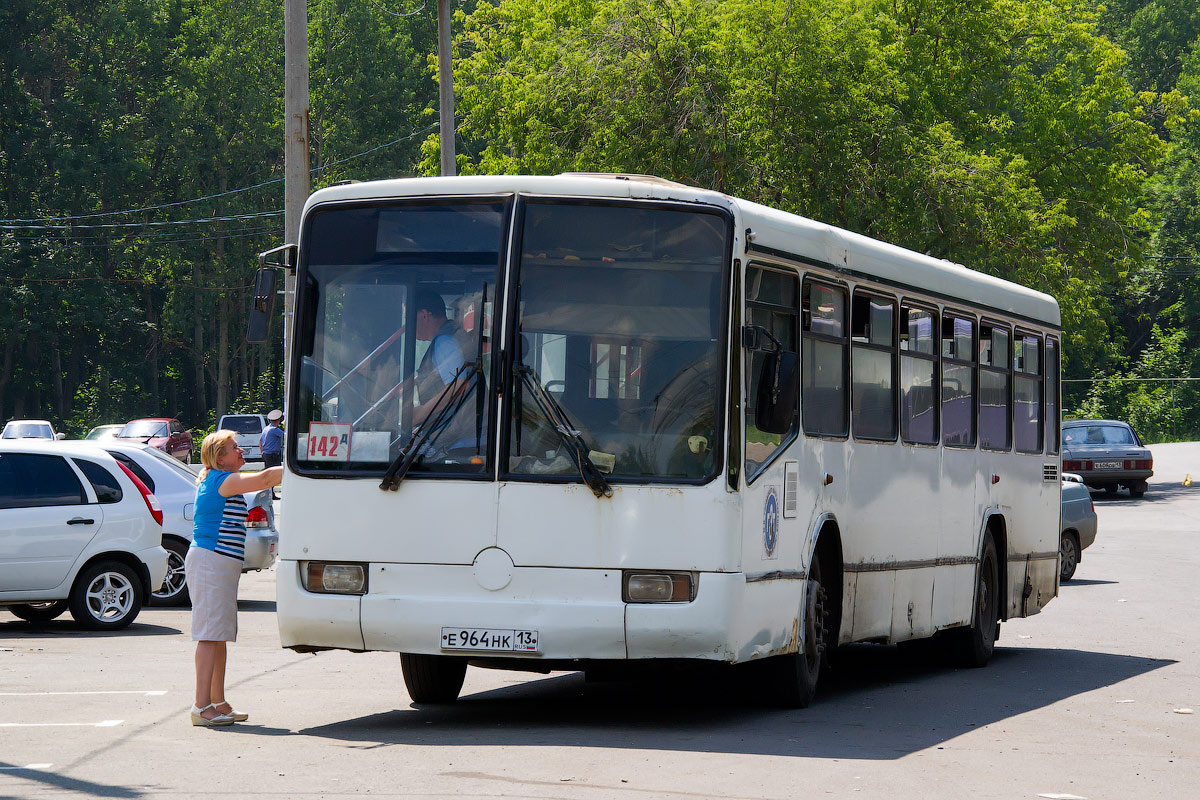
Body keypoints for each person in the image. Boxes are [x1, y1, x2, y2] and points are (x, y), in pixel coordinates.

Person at [187, 430, 282, 727]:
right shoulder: (220, 479)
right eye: (233, 447)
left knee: (219, 635)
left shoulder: (222, 480)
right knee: (208, 634)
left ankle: (218, 702)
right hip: (210, 562)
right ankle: (201, 707)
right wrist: (298, 463)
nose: (241, 450)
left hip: (219, 565)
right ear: (219, 458)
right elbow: (266, 479)